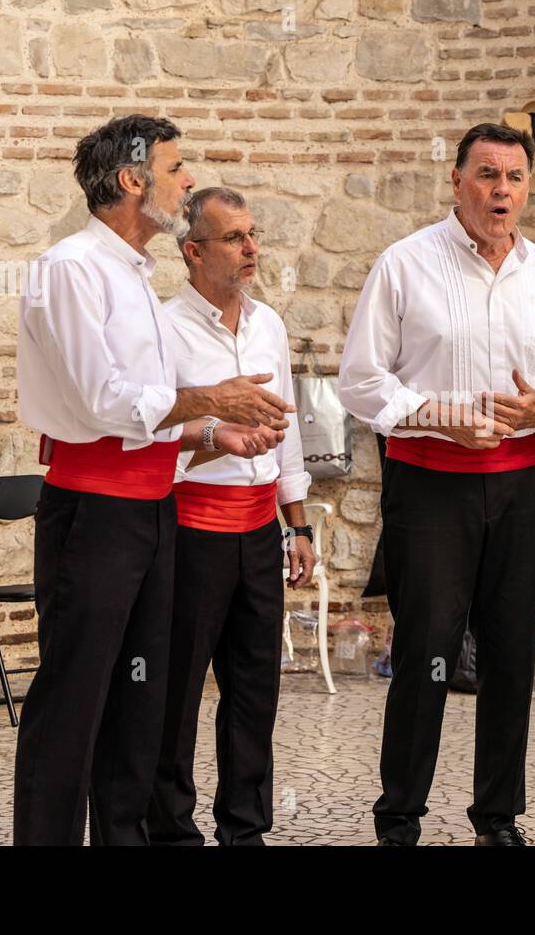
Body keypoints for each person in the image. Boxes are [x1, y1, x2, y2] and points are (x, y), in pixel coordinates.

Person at [13, 115, 294, 846]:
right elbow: (103, 402)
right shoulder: (70, 269)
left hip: (151, 507)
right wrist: (212, 400)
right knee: (74, 702)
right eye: (176, 167)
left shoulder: (135, 272)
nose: (188, 180)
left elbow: (151, 416)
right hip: (95, 513)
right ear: (134, 179)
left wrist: (209, 431)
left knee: (140, 701)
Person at [339, 122, 535, 846]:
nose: (502, 191)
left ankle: (497, 818)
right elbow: (361, 380)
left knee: (513, 657)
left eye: (514, 178)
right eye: (487, 175)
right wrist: (433, 416)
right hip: (429, 490)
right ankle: (399, 819)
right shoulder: (404, 264)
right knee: (426, 653)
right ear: (456, 182)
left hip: (519, 486)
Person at [147, 187, 316, 846]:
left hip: (258, 531)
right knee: (177, 690)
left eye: (253, 235)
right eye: (234, 238)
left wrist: (296, 524)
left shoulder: (269, 324)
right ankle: (171, 830)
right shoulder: (164, 327)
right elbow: (148, 429)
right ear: (192, 251)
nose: (252, 248)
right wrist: (214, 431)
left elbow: (288, 432)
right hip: (191, 530)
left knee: (254, 689)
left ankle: (244, 830)